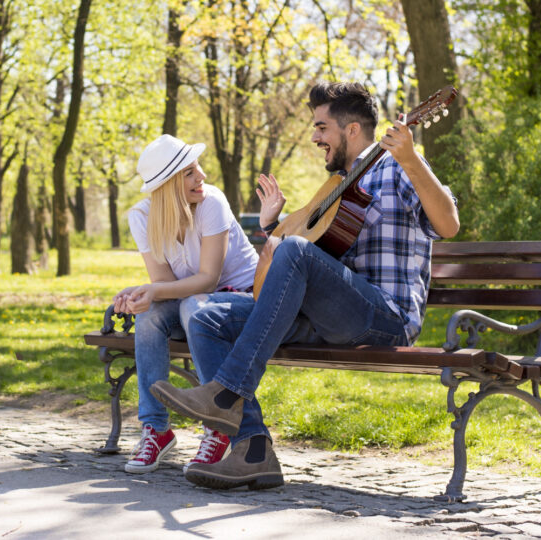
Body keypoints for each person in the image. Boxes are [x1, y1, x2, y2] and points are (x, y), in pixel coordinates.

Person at [150, 81, 460, 489]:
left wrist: (413, 160)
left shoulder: (395, 166)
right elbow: (311, 249)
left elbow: (449, 224)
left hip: (385, 315)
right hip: (329, 316)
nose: (315, 138)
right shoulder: (338, 184)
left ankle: (224, 395)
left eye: (321, 127)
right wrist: (271, 229)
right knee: (208, 317)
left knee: (294, 251)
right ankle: (253, 449)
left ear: (351, 130)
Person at [114, 134, 259, 474]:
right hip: (193, 303)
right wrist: (142, 294)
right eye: (191, 172)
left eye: (198, 169)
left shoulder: (212, 203)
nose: (203, 177)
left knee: (194, 305)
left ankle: (218, 425)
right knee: (150, 312)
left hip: (241, 300)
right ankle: (156, 429)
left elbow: (208, 278)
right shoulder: (142, 217)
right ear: (168, 184)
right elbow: (163, 284)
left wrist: (152, 288)